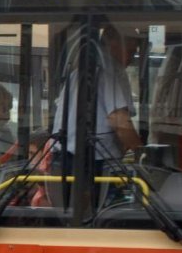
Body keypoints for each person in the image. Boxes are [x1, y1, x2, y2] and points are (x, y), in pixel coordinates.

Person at [52, 25, 142, 169]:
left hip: (62, 158)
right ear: (113, 44)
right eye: (131, 52)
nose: (132, 59)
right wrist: (142, 153)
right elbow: (119, 120)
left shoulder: (80, 69)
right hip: (95, 161)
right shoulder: (111, 68)